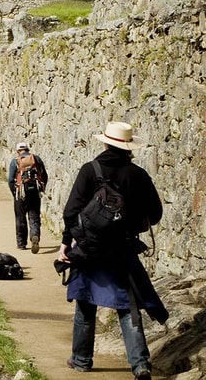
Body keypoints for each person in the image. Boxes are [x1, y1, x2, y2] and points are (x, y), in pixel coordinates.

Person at [59, 122, 165, 378]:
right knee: (127, 307)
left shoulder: (89, 170)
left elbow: (71, 213)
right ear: (127, 147)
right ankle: (140, 365)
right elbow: (155, 214)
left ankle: (82, 359)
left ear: (105, 143)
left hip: (89, 250)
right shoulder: (137, 175)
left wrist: (66, 243)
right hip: (123, 249)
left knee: (85, 305)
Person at [7, 142, 47, 253]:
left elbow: (10, 180)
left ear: (17, 151)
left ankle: (21, 243)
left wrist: (14, 192)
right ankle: (35, 235)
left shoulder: (15, 161)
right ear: (27, 149)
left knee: (20, 218)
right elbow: (44, 175)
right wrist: (41, 188)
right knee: (34, 216)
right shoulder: (36, 159)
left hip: (20, 192)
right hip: (34, 191)